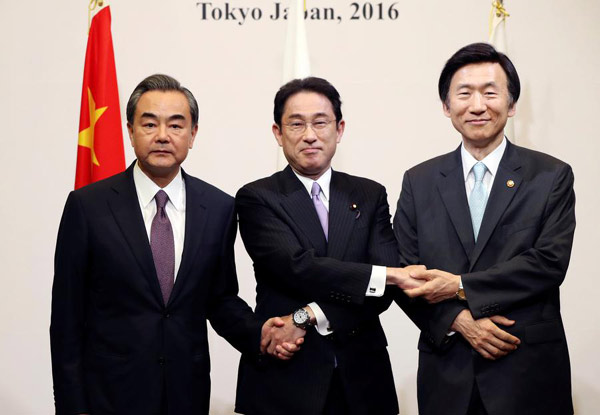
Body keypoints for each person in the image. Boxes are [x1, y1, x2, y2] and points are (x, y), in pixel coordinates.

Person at [50, 74, 301, 415]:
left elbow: (220, 298)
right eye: (149, 124)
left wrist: (259, 333)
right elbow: (66, 318)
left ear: (193, 134)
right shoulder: (88, 207)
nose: (163, 136)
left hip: (187, 394)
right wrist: (71, 405)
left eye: (176, 125)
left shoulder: (218, 208)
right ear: (130, 131)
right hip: (107, 397)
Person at [394, 43, 575, 415]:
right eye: (464, 93)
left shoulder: (551, 175)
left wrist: (460, 287)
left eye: (490, 92)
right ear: (447, 107)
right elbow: (403, 271)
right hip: (448, 372)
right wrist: (457, 321)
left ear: (511, 105)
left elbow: (548, 263)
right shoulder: (419, 180)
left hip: (527, 370)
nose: (477, 105)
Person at [234, 77, 421, 415]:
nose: (310, 134)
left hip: (363, 378)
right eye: (296, 123)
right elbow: (297, 266)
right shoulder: (257, 197)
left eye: (321, 122)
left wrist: (307, 315)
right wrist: (384, 276)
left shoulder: (369, 194)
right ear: (277, 133)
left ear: (340, 128)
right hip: (285, 376)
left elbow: (384, 287)